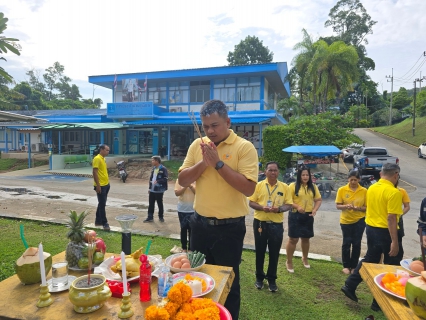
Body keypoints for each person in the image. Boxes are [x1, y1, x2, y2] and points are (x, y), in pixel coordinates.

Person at [178, 99, 258, 320]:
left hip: (229, 228)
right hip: (200, 224)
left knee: (228, 282)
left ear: (228, 122)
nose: (210, 131)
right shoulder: (197, 145)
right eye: (205, 126)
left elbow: (249, 188)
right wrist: (204, 162)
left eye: (215, 125)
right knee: (197, 277)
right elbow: (183, 179)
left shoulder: (244, 147)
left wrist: (219, 164)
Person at [341, 163, 403, 311]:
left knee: (370, 259)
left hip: (371, 229)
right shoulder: (394, 192)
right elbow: (391, 218)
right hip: (386, 232)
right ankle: (379, 302)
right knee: (391, 265)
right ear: (396, 175)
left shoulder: (372, 188)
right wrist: (394, 241)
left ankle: (350, 284)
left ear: (381, 174)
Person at [248, 161, 292, 292]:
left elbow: (289, 204)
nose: (273, 173)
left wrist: (278, 209)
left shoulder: (285, 187)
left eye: (275, 170)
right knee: (260, 251)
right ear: (265, 171)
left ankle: (272, 279)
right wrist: (262, 208)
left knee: (274, 253)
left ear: (278, 172)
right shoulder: (258, 186)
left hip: (276, 225)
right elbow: (251, 202)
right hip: (260, 223)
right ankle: (259, 278)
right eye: (270, 170)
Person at [285, 165, 322, 273]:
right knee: (293, 239)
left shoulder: (313, 187)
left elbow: (318, 200)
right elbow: (287, 201)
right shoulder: (292, 186)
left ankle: (305, 258)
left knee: (306, 238)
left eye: (307, 175)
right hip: (295, 215)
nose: (305, 177)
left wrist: (315, 209)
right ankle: (289, 261)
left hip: (308, 216)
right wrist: (297, 206)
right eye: (303, 175)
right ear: (299, 176)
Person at [335, 170, 367, 275]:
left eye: (355, 180)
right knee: (346, 243)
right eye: (351, 179)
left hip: (360, 220)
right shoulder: (342, 190)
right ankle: (346, 266)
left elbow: (367, 207)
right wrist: (346, 206)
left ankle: (354, 266)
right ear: (348, 179)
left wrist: (358, 208)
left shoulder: (364, 191)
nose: (353, 182)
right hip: (346, 220)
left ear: (359, 179)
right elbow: (338, 205)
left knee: (356, 243)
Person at [171, 179, 196, 253]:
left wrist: (190, 185)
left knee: (192, 230)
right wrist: (185, 186)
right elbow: (177, 193)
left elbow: (197, 192)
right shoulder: (179, 180)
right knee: (183, 229)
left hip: (194, 209)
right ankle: (184, 248)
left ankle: (191, 248)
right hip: (182, 210)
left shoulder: (196, 179)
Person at [144, 156, 168, 223]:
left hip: (159, 190)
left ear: (157, 161)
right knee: (151, 204)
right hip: (152, 190)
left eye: (153, 160)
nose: (152, 161)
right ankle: (150, 217)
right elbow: (151, 179)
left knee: (159, 203)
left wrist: (158, 181)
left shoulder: (163, 169)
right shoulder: (153, 169)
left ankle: (161, 217)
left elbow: (165, 178)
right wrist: (149, 188)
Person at [92, 144, 111, 231]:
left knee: (101, 203)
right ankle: (104, 223)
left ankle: (98, 221)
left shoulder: (103, 158)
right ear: (102, 150)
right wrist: (98, 186)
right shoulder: (97, 159)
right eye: (107, 150)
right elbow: (95, 172)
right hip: (101, 186)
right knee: (102, 204)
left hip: (106, 184)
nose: (108, 151)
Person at [396, 185, 410, 258]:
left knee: (398, 243)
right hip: (382, 220)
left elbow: (407, 206)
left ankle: (397, 263)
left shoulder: (401, 191)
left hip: (398, 220)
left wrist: (399, 214)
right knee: (381, 246)